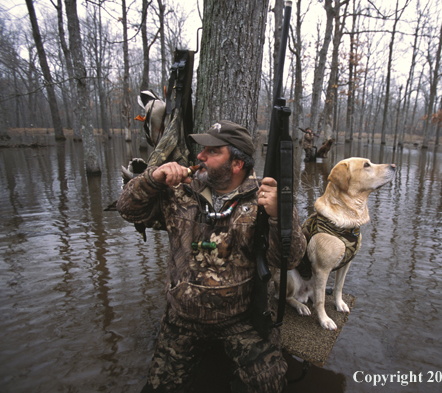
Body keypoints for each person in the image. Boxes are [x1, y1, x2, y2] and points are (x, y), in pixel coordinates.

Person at [117, 120, 307, 393]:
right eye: (202, 149)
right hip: (181, 318)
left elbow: (289, 260)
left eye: (212, 151)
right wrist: (151, 178)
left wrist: (280, 217)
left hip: (240, 320)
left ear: (237, 164)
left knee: (269, 383)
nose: (200, 156)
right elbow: (128, 210)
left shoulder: (265, 199)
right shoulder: (178, 190)